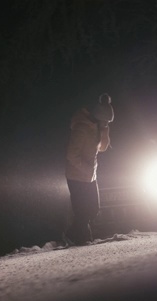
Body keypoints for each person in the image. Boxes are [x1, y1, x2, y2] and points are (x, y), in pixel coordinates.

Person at [64, 93, 113, 245]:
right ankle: (78, 238)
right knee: (82, 212)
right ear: (98, 116)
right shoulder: (82, 128)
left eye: (108, 121)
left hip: (90, 175)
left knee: (93, 209)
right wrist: (85, 170)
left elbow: (103, 148)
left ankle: (77, 237)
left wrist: (105, 130)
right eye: (105, 120)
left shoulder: (97, 128)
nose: (106, 123)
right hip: (76, 176)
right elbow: (72, 155)